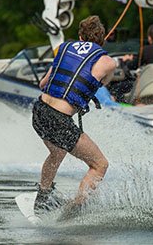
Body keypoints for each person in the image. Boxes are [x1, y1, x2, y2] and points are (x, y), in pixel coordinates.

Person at [33, 15, 117, 213]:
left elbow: (43, 84)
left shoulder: (63, 48)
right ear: (102, 39)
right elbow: (103, 83)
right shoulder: (108, 62)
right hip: (59, 120)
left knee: (57, 151)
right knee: (100, 164)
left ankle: (42, 196)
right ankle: (75, 210)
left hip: (39, 111)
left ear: (80, 36)